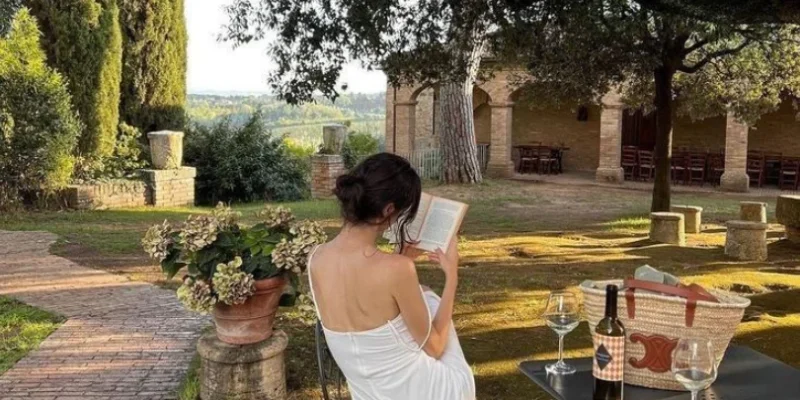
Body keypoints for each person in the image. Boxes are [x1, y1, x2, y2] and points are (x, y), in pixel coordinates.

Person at [307, 153, 476, 400]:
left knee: (425, 293)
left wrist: (402, 260)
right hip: (427, 392)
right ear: (388, 210)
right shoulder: (396, 269)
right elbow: (436, 347)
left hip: (369, 393)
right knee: (430, 297)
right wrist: (452, 276)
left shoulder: (316, 258)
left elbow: (364, 305)